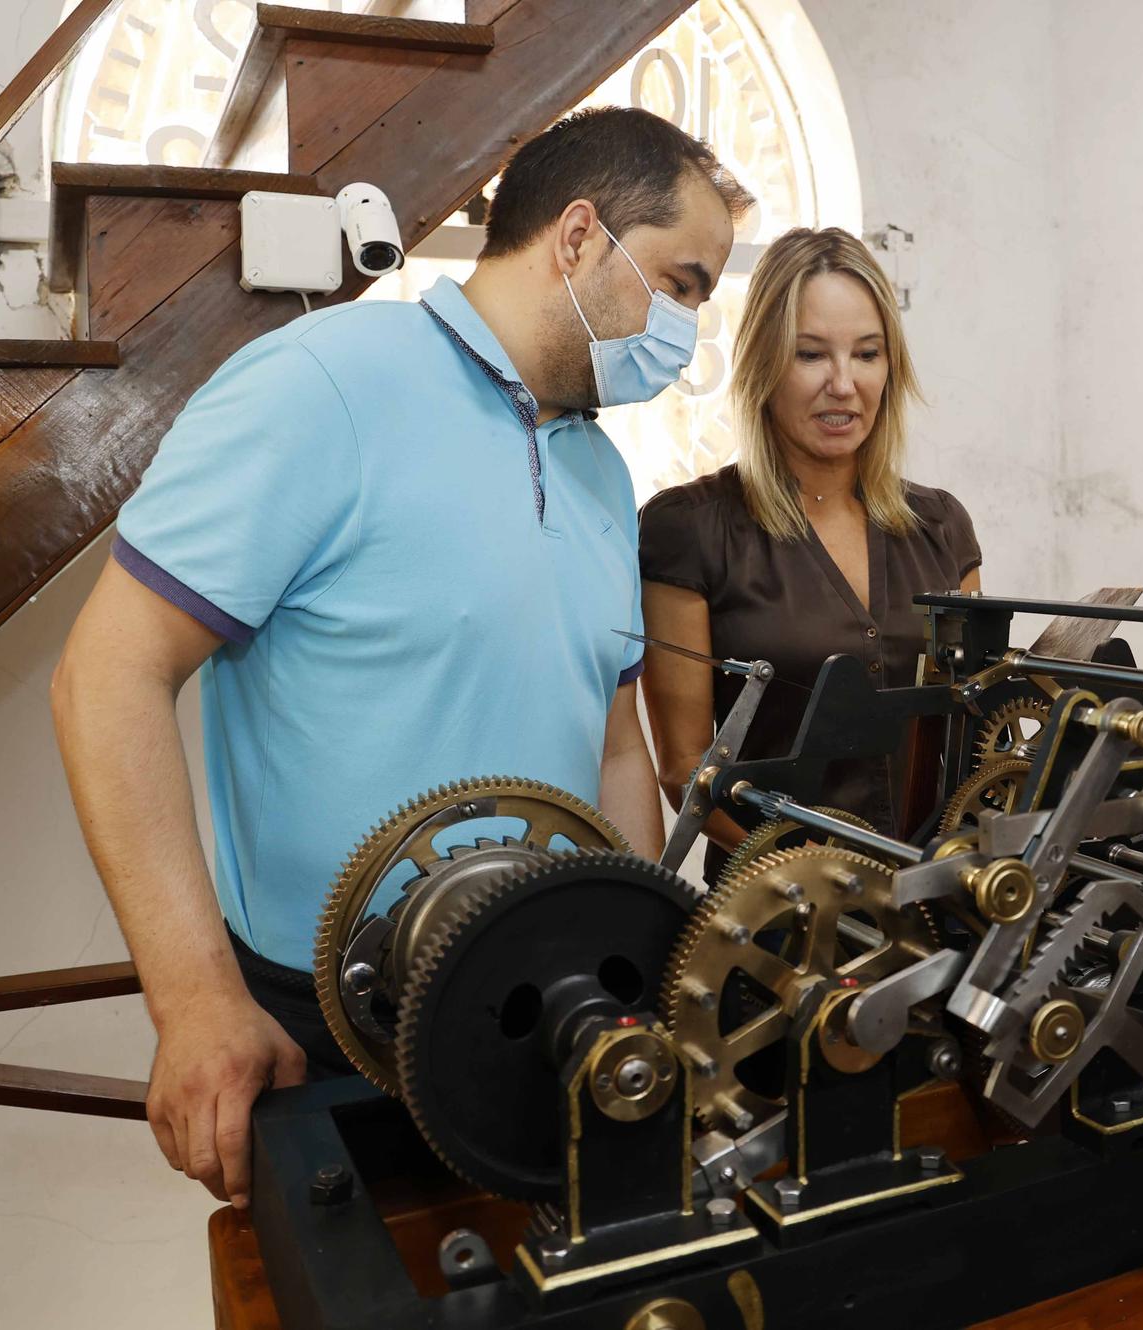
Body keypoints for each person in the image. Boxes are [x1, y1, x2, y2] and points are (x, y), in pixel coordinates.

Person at [49, 107, 753, 1210]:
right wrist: (192, 1003)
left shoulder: (603, 477)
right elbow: (106, 677)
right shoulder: (318, 385)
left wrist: (635, 965)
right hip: (325, 1028)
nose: (688, 325)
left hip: (545, 1004)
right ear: (578, 238)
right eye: (683, 280)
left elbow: (612, 740)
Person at [636, 228, 981, 867]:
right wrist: (811, 879)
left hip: (941, 908)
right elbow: (686, 772)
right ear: (766, 362)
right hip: (781, 920)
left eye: (868, 353)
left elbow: (975, 735)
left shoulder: (941, 528)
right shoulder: (688, 531)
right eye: (811, 355)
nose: (844, 384)